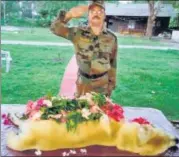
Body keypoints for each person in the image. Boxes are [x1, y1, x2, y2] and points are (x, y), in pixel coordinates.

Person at [50, 0, 118, 97]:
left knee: (100, 110)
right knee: (81, 110)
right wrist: (69, 15)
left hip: (102, 84)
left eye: (100, 11)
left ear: (104, 16)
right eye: (92, 11)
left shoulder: (111, 38)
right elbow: (55, 28)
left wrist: (111, 84)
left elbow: (112, 62)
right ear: (88, 16)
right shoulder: (78, 33)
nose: (96, 14)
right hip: (83, 83)